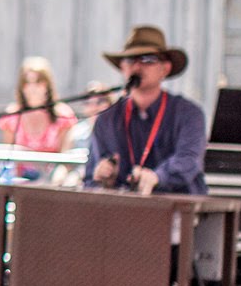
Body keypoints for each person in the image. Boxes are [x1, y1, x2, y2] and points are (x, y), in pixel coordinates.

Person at [85, 25, 208, 196]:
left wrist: (157, 177)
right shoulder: (107, 119)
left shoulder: (188, 113)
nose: (137, 66)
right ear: (122, 67)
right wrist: (104, 180)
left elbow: (188, 160)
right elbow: (90, 178)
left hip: (177, 210)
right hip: (123, 212)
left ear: (165, 68)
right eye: (130, 60)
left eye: (147, 59)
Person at [0, 56, 76, 179]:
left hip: (52, 181)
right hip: (20, 181)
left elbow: (65, 161)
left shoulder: (63, 116)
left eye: (38, 82)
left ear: (47, 85)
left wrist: (54, 181)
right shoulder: (12, 116)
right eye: (27, 83)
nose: (33, 88)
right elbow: (9, 158)